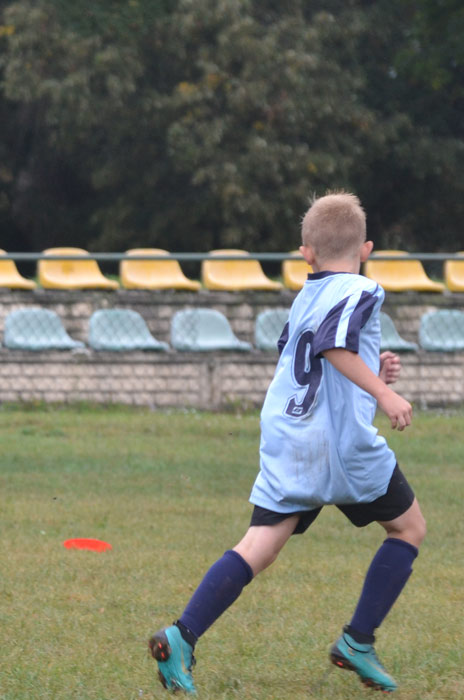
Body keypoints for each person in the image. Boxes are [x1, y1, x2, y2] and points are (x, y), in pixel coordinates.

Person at [149, 192, 424, 693]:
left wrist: (373, 373)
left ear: (306, 253)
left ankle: (182, 635)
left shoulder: (305, 295)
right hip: (338, 444)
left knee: (259, 545)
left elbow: (309, 359)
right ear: (366, 249)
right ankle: (357, 642)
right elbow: (334, 346)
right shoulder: (361, 289)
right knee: (408, 529)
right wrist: (384, 391)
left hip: (290, 435)